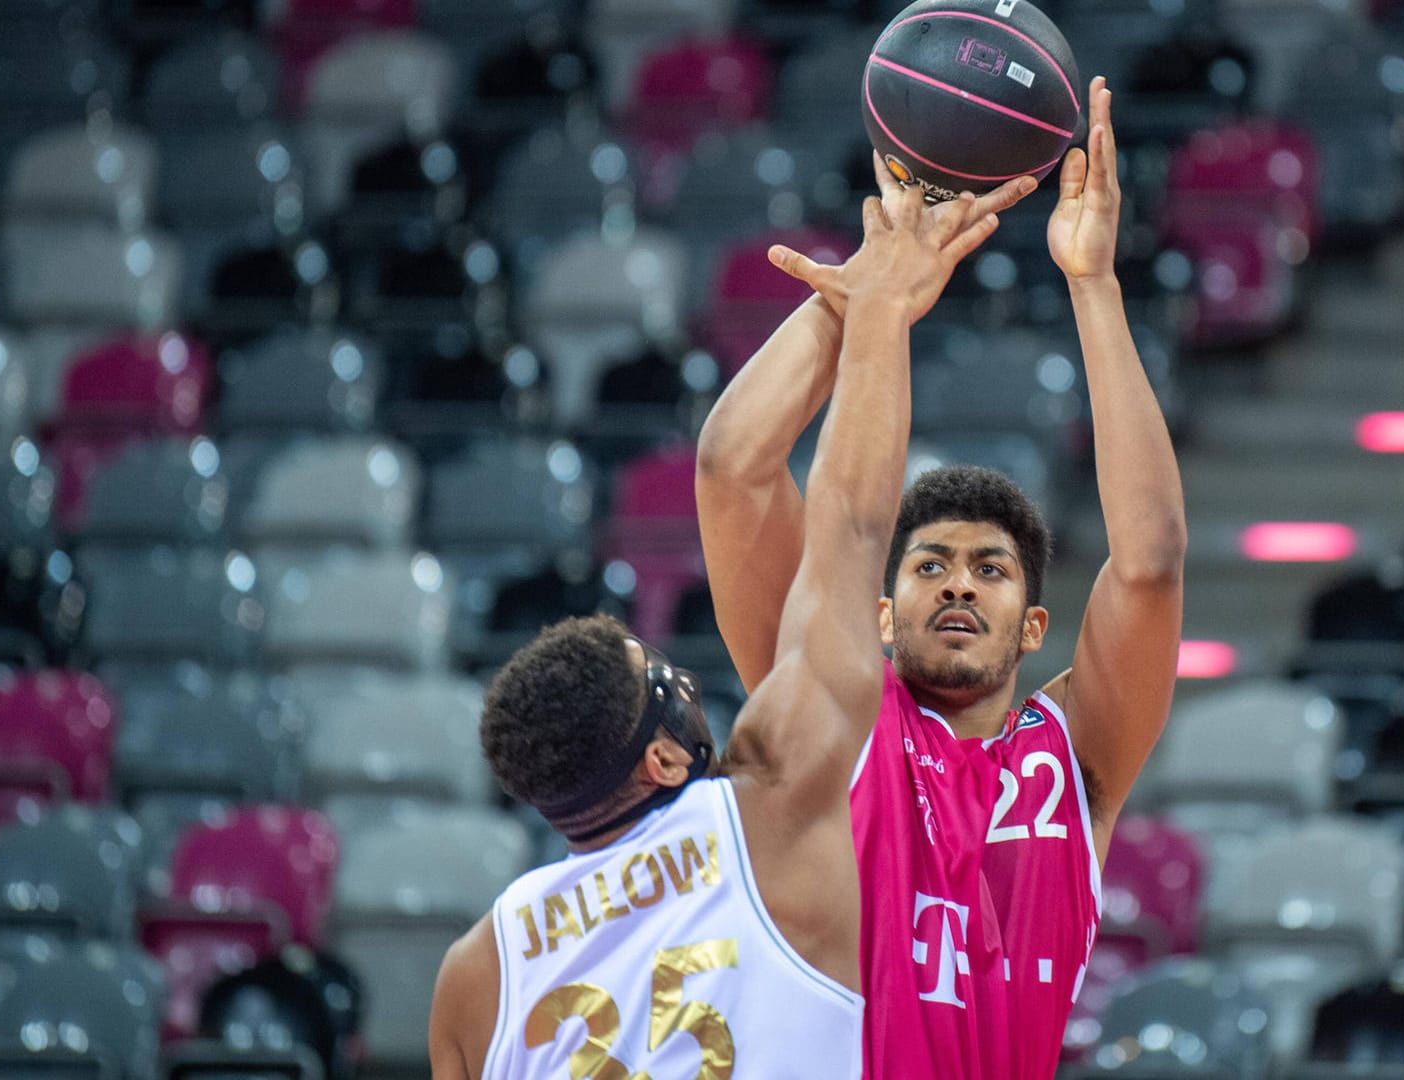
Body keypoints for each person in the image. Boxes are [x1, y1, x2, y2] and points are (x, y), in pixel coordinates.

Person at [426, 164, 1033, 1080]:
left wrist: (865, 284)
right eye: (663, 682)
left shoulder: (477, 970)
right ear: (663, 757)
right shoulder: (772, 811)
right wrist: (875, 305)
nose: (687, 683)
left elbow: (732, 471)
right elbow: (847, 528)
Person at [695, 77, 1187, 1079]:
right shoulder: (833, 717)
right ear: (880, 612)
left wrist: (1093, 284)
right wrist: (864, 298)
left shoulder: (1072, 761)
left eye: (991, 569)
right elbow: (733, 469)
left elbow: (1150, 561)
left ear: (1035, 624)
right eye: (930, 565)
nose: (959, 585)